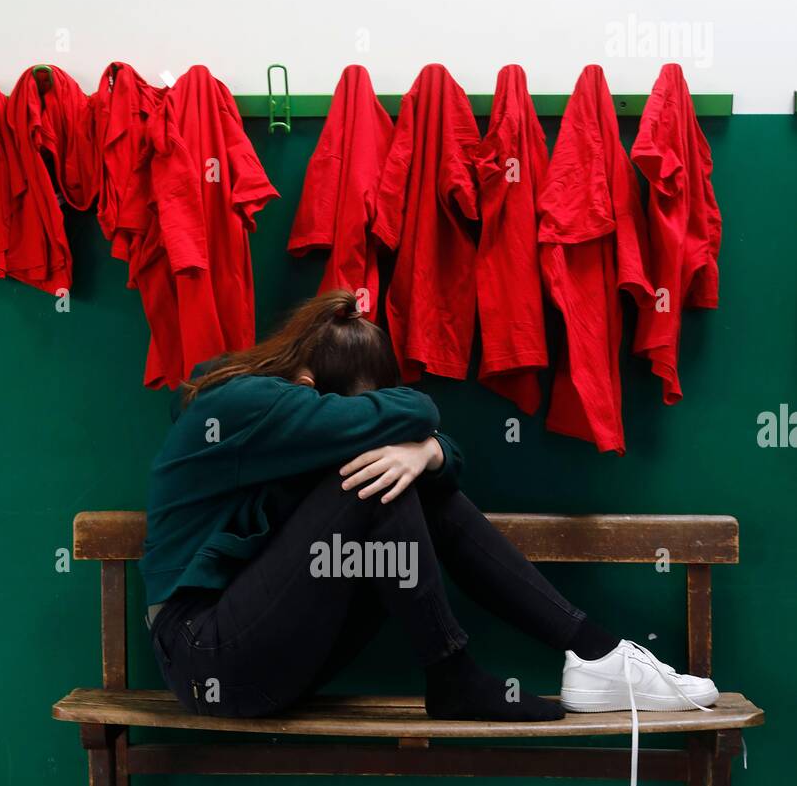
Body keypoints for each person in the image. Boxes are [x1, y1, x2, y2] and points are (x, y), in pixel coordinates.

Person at [141, 290, 718, 728]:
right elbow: (416, 409)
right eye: (355, 413)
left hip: (265, 654)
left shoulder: (289, 412)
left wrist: (428, 453)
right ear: (307, 382)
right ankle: (455, 675)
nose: (363, 428)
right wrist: (416, 436)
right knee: (371, 483)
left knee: (396, 478)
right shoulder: (247, 402)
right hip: (207, 658)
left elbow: (423, 435)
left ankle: (597, 653)